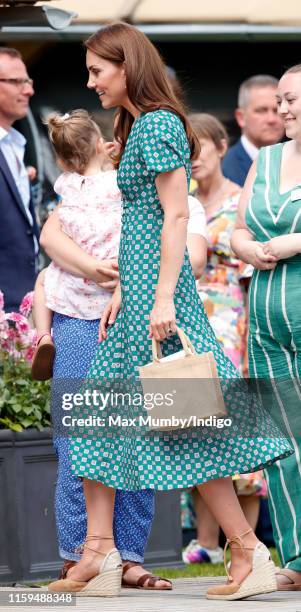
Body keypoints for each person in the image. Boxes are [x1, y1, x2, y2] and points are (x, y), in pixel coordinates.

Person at [48, 22, 291, 600]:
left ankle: (245, 550)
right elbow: (138, 221)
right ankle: (100, 551)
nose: (91, 83)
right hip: (137, 296)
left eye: (97, 71)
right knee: (103, 421)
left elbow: (176, 215)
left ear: (127, 66)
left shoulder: (157, 125)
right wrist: (123, 289)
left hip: (161, 300)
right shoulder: (134, 126)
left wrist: (158, 298)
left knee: (189, 426)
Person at [35, 110, 171, 590]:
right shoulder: (124, 186)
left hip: (72, 319)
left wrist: (90, 268)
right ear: (102, 144)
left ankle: (80, 554)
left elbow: (50, 238)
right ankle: (124, 554)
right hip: (120, 319)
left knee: (77, 439)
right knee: (130, 437)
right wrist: (106, 272)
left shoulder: (67, 190)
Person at [182, 113, 266, 565]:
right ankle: (206, 542)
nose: (193, 159)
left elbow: (252, 276)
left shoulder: (240, 201)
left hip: (233, 320)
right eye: (186, 150)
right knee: (196, 427)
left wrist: (253, 333)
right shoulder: (182, 201)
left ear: (220, 144)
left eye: (202, 148)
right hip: (188, 320)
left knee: (239, 428)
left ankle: (246, 543)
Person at [231, 63, 301, 591]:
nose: (283, 110)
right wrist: (248, 247)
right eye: (279, 100)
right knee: (278, 438)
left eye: (292, 100)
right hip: (265, 323)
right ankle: (296, 557)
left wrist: (296, 242)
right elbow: (234, 227)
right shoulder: (268, 158)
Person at [0, 47, 39, 313]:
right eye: (17, 82)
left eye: (28, 81)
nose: (28, 91)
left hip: (26, 302)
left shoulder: (15, 143)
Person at [222, 75, 284, 187]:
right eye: (261, 111)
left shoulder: (295, 159)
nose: (272, 119)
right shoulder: (223, 169)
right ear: (241, 117)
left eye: (277, 110)